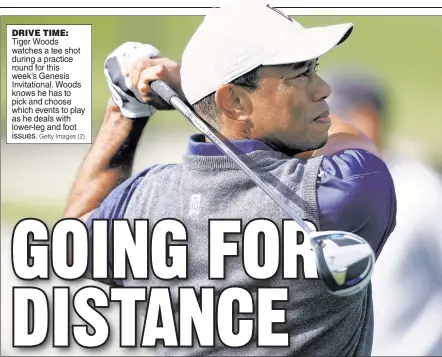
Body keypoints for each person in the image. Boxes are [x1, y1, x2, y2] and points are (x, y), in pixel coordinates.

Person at [64, 0, 397, 355]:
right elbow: (355, 140)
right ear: (235, 102)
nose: (323, 88)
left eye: (315, 68)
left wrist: (125, 109)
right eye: (300, 74)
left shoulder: (148, 200)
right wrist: (190, 90)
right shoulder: (338, 195)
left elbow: (74, 236)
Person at [324, 66, 442, 356]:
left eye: (327, 118)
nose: (317, 129)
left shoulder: (420, 190)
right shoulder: (319, 186)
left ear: (367, 120)